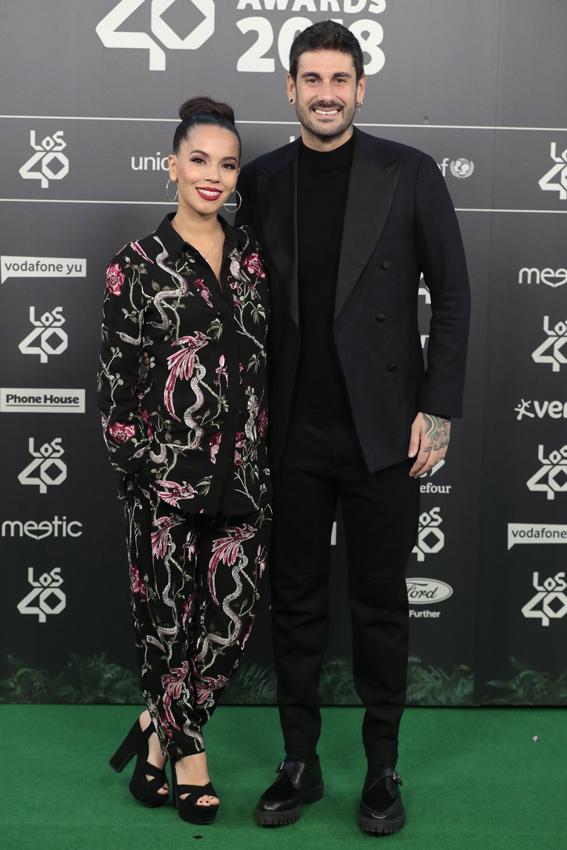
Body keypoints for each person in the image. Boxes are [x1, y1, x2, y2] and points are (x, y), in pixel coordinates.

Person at [236, 21, 470, 835]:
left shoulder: (409, 173)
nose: (326, 93)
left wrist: (437, 407)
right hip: (291, 432)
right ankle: (298, 763)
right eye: (311, 78)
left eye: (340, 79)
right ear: (290, 88)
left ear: (361, 88)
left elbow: (452, 294)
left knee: (378, 607)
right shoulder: (261, 181)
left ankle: (380, 768)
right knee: (295, 604)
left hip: (384, 433)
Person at [97, 97, 271, 826]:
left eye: (227, 164)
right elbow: (115, 389)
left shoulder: (255, 260)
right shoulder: (135, 266)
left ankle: (154, 730)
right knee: (168, 629)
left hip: (246, 479)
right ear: (172, 165)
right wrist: (144, 470)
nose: (212, 175)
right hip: (164, 483)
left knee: (227, 627)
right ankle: (190, 758)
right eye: (199, 159)